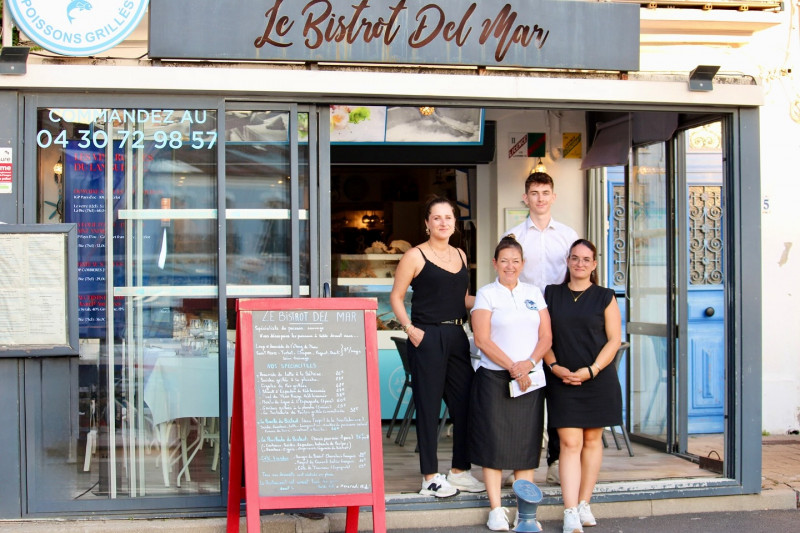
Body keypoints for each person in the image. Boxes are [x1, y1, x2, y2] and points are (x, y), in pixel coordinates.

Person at [390, 195, 486, 498]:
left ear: (455, 223)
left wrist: (494, 300)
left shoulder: (459, 253)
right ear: (427, 223)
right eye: (437, 218)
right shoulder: (415, 256)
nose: (443, 222)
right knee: (429, 409)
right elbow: (396, 296)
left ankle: (459, 471)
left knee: (465, 404)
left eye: (448, 217)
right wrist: (410, 329)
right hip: (427, 337)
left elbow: (463, 299)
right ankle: (430, 477)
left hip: (458, 336)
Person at [470, 235, 552, 531]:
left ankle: (525, 511)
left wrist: (528, 365)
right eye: (504, 260)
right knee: (493, 444)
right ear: (495, 263)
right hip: (494, 378)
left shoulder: (534, 293)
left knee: (525, 446)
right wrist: (513, 367)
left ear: (523, 264)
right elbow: (482, 339)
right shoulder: (487, 294)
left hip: (529, 381)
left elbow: (546, 337)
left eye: (515, 261)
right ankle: (496, 509)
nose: (510, 266)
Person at [543, 239, 622, 533]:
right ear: (567, 261)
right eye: (574, 258)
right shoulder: (552, 294)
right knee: (569, 443)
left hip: (597, 379)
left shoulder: (605, 296)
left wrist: (592, 370)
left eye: (586, 259)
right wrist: (553, 366)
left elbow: (614, 339)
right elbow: (544, 336)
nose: (579, 263)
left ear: (594, 264)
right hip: (562, 378)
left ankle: (585, 502)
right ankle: (569, 510)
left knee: (591, 441)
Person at [504, 171, 578, 485]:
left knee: (560, 392)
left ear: (553, 196)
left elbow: (579, 272)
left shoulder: (568, 235)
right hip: (526, 320)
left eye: (545, 192)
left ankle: (557, 462)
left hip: (562, 319)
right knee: (524, 391)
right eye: (534, 193)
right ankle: (518, 462)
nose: (540, 198)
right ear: (526, 197)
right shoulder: (514, 236)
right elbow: (508, 276)